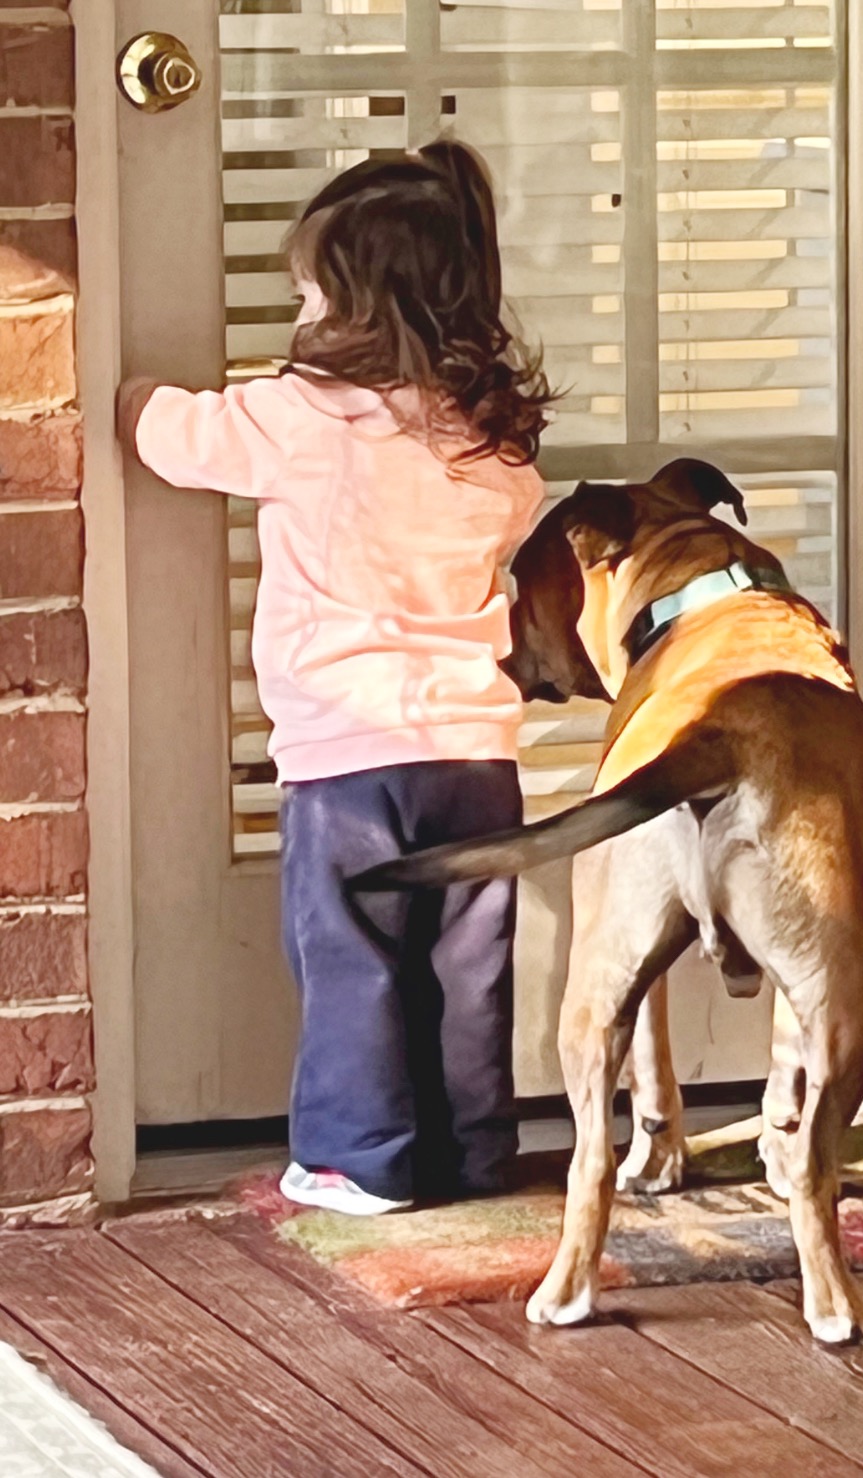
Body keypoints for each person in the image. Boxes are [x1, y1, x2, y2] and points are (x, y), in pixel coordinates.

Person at [117, 140, 552, 1215]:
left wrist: (126, 396)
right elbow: (516, 510)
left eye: (312, 284)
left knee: (353, 956)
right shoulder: (490, 444)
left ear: (360, 304)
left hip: (350, 758)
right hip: (472, 753)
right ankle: (475, 1149)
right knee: (466, 963)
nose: (301, 303)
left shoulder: (298, 419)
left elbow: (179, 439)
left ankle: (360, 1157)